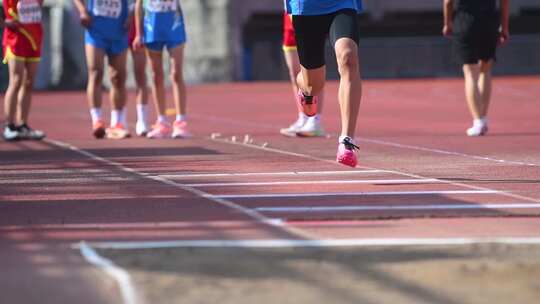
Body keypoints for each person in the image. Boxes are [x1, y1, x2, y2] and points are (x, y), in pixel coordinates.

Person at [286, 0, 363, 167]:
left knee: (348, 57)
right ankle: (305, 90)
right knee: (313, 84)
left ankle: (346, 141)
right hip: (306, 8)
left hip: (342, 4)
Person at [443, 0, 509, 136]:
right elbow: (504, 2)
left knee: (470, 72)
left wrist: (447, 23)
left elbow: (448, 2)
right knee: (485, 69)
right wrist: (505, 27)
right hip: (489, 23)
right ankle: (483, 118)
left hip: (465, 22)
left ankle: (478, 121)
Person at [73, 0, 131, 139]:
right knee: (96, 72)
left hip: (119, 29)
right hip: (96, 29)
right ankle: (97, 120)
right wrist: (83, 11)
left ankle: (117, 122)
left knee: (118, 77)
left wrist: (131, 16)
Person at [132, 0, 190, 139]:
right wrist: (139, 34)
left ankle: (181, 122)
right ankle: (162, 121)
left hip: (173, 26)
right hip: (152, 28)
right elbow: (139, 5)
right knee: (156, 75)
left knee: (176, 73)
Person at [2, 0, 46, 141]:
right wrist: (5, 21)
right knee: (15, 81)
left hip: (34, 37)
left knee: (29, 82)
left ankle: (23, 125)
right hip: (15, 39)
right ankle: (9, 125)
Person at [280, 12, 325, 138]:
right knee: (294, 72)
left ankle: (315, 119)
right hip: (290, 12)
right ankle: (303, 116)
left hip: (308, 11)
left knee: (313, 70)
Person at [128, 16, 150, 136]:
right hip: (116, 24)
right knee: (117, 75)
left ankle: (142, 120)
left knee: (140, 73)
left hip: (136, 25)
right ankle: (118, 121)